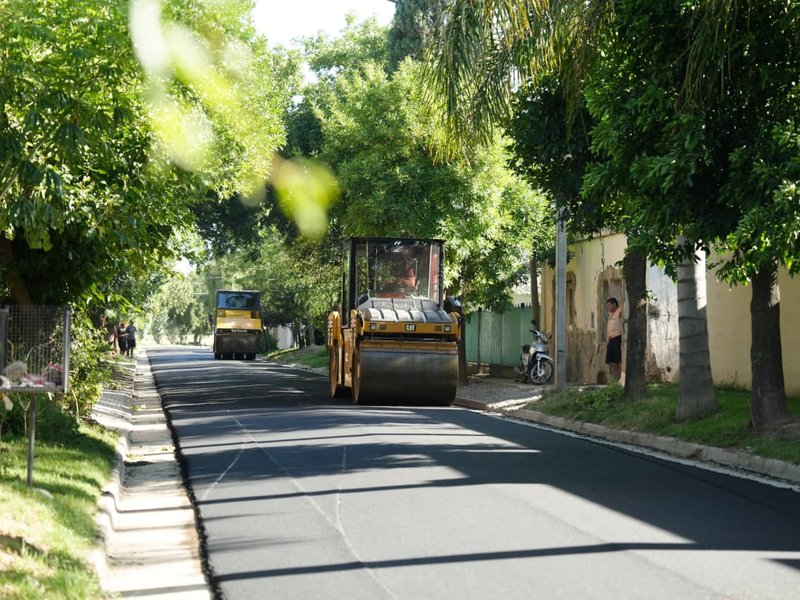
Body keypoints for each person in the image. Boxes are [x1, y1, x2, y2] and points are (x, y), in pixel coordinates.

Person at [605, 297, 624, 384]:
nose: (608, 307)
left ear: (614, 305)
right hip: (611, 339)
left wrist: (623, 298)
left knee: (618, 359)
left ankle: (623, 376)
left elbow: (623, 305)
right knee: (610, 360)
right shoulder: (610, 315)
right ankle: (621, 374)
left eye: (609, 305)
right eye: (607, 306)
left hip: (617, 337)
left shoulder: (618, 312)